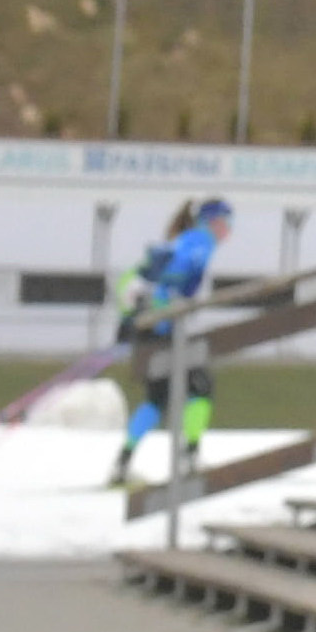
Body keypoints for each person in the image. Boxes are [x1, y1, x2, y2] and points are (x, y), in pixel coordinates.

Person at [109, 195, 233, 487]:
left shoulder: (186, 239)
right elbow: (171, 277)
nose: (229, 230)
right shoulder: (200, 242)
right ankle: (189, 456)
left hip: (154, 328)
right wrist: (166, 303)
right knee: (201, 387)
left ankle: (123, 461)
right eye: (226, 222)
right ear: (211, 222)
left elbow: (146, 274)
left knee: (157, 400)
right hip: (162, 330)